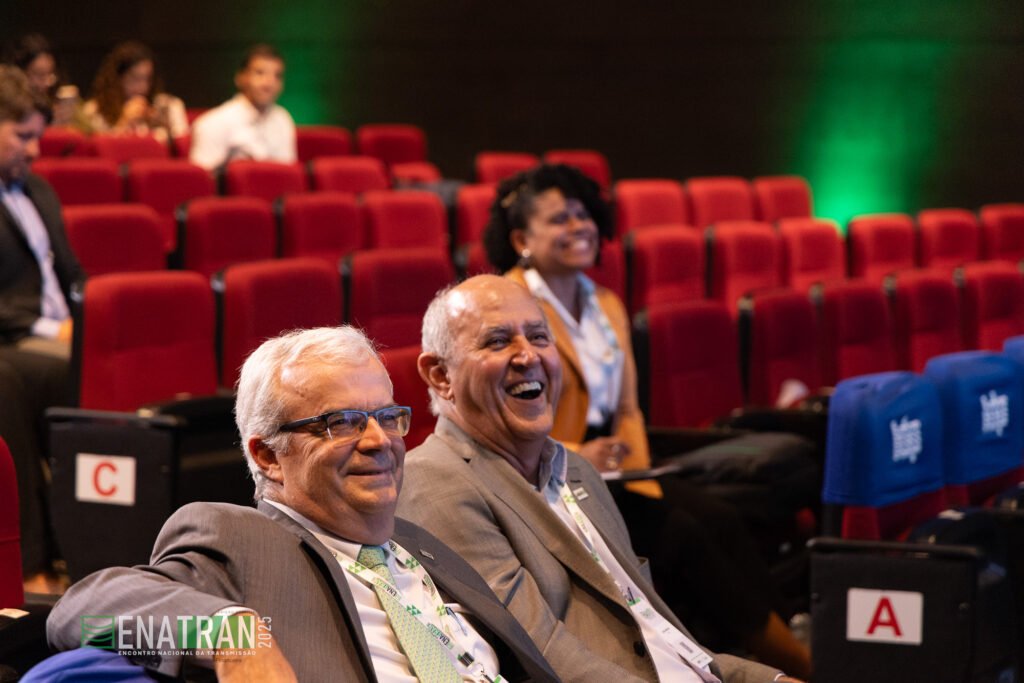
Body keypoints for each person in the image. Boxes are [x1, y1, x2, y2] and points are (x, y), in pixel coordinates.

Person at [46, 326, 559, 682]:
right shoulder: (238, 538)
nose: (379, 440)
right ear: (268, 455)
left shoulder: (423, 545)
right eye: (343, 423)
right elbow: (82, 614)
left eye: (387, 417)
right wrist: (229, 633)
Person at [480, 165, 813, 678]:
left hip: (616, 468)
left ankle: (785, 644)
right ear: (522, 239)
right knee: (685, 532)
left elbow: (628, 408)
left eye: (584, 215)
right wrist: (575, 457)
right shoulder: (509, 306)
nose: (580, 226)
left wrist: (633, 469)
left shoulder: (605, 302)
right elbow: (499, 416)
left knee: (721, 516)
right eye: (560, 219)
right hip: (543, 470)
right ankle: (780, 663)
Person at [399, 275, 801, 683]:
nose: (528, 355)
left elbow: (662, 635)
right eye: (497, 341)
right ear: (440, 375)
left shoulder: (577, 471)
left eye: (539, 337)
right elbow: (543, 654)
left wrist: (765, 679)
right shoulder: (435, 481)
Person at [0, 64, 82, 587]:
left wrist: (89, 319)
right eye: (21, 135)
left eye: (38, 136)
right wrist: (58, 332)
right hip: (14, 339)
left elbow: (72, 274)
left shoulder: (39, 191)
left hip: (57, 332)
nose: (34, 150)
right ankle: (32, 561)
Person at [189, 43, 296, 171]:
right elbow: (202, 179)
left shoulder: (283, 119)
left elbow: (288, 173)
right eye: (260, 73)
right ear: (240, 78)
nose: (269, 83)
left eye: (277, 76)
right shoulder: (213, 123)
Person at [81, 41, 188, 142]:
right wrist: (124, 122)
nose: (143, 87)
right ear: (116, 79)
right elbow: (97, 149)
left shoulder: (169, 106)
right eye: (135, 79)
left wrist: (165, 127)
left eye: (148, 79)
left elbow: (183, 145)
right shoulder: (94, 110)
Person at [3, 33, 76, 126]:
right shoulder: (8, 112)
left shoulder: (51, 105)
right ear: (18, 73)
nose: (48, 82)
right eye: (39, 75)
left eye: (51, 73)